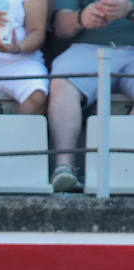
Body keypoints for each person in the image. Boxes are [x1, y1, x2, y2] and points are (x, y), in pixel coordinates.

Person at [46, 0, 134, 193]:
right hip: (86, 49)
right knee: (62, 82)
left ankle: (126, 168)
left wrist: (130, 10)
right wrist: (81, 18)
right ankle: (64, 168)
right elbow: (60, 27)